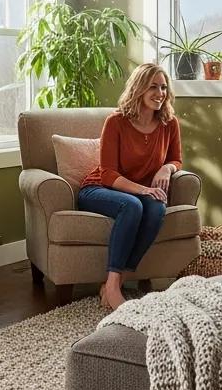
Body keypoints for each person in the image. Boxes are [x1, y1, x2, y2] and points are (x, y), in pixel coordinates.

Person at [78, 63, 182, 310]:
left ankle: (113, 283)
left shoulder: (170, 123)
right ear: (138, 89)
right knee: (134, 205)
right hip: (99, 189)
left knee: (156, 208)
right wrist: (144, 190)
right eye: (153, 87)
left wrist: (166, 168)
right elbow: (108, 174)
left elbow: (176, 159)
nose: (160, 93)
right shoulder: (116, 122)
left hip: (136, 192)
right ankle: (114, 287)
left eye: (164, 87)